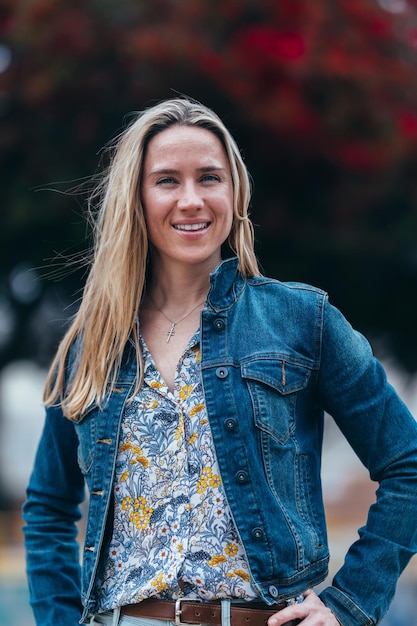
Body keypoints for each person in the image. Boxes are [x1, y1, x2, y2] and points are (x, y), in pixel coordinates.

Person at [23, 97, 417, 626]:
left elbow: (407, 464)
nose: (191, 200)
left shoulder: (302, 320)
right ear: (135, 198)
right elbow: (48, 509)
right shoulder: (91, 345)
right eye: (167, 180)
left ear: (234, 192)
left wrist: (348, 605)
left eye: (209, 178)